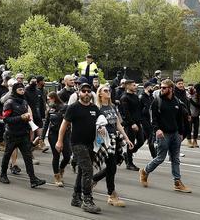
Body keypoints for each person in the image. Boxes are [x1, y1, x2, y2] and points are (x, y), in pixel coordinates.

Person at [56, 82, 102, 214]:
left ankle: (76, 197)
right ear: (79, 93)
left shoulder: (94, 108)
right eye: (84, 91)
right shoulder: (73, 108)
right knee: (88, 170)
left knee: (82, 171)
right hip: (77, 144)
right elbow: (64, 125)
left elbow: (100, 124)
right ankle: (87, 200)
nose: (86, 93)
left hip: (91, 144)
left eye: (88, 91)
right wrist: (59, 141)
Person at [139, 79, 191, 193]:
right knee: (160, 158)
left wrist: (181, 133)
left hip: (175, 134)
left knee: (175, 159)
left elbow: (180, 119)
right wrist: (157, 130)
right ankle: (145, 171)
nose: (161, 89)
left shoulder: (176, 101)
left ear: (171, 89)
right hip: (163, 134)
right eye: (161, 87)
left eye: (164, 88)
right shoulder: (157, 101)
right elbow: (153, 119)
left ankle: (177, 182)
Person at [92, 85, 134, 207]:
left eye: (109, 90)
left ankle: (94, 179)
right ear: (100, 94)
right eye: (105, 90)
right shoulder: (97, 108)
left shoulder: (112, 107)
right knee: (112, 166)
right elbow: (94, 125)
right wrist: (99, 132)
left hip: (115, 138)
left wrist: (126, 138)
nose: (108, 92)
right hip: (104, 140)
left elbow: (118, 125)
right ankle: (112, 194)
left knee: (114, 164)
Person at [0, 82, 46, 188]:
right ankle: (3, 175)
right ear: (15, 90)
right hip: (12, 134)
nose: (22, 91)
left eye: (23, 89)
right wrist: (21, 117)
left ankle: (33, 179)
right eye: (20, 90)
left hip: (23, 134)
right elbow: (5, 119)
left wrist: (29, 124)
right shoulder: (9, 102)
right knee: (7, 155)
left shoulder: (24, 102)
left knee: (28, 157)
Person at [42, 91, 70, 187]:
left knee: (67, 155)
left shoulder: (65, 107)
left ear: (54, 98)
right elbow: (46, 124)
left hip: (65, 134)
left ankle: (61, 168)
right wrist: (42, 137)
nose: (48, 101)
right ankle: (56, 175)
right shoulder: (50, 109)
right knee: (56, 155)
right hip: (53, 134)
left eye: (49, 99)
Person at [118, 80, 143, 171]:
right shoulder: (124, 98)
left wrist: (139, 122)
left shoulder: (135, 96)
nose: (136, 86)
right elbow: (126, 112)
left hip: (138, 122)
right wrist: (132, 123)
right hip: (130, 124)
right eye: (133, 85)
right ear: (128, 86)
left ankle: (128, 154)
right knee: (131, 143)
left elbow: (138, 110)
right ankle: (129, 163)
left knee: (141, 140)